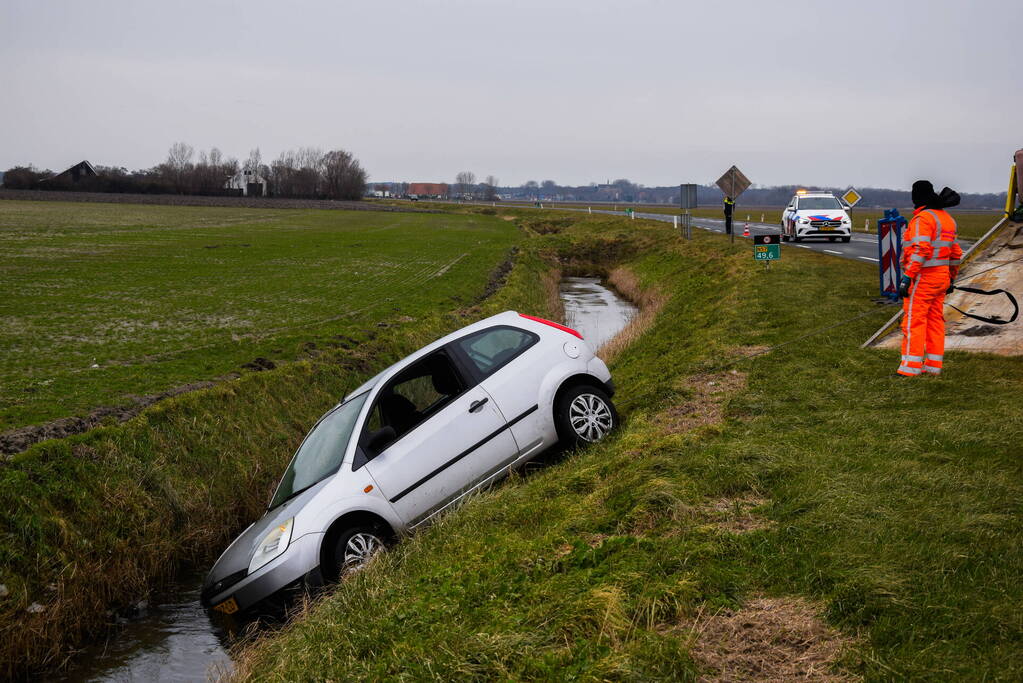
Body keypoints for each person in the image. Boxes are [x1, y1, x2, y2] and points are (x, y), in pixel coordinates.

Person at [896, 180, 963, 377]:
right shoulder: (947, 219)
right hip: (941, 278)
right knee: (935, 321)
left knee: (913, 321)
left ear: (916, 197)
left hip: (923, 278)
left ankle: (909, 368)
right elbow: (956, 253)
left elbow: (920, 250)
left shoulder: (923, 219)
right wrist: (951, 278)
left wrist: (908, 277)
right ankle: (933, 366)